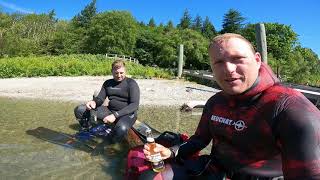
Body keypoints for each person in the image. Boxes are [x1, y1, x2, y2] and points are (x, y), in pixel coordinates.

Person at [143, 33, 320, 179]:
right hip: (214, 169)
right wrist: (171, 152)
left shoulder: (290, 109)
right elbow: (199, 140)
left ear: (257, 60)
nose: (228, 69)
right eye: (218, 62)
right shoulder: (216, 102)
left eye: (237, 59)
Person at [74, 59, 140, 143]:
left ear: (125, 71)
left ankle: (111, 144)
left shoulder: (131, 83)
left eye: (121, 73)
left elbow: (134, 105)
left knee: (121, 129)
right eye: (116, 73)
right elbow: (100, 99)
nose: (119, 75)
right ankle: (88, 131)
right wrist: (93, 102)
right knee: (80, 110)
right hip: (109, 110)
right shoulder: (108, 83)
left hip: (127, 114)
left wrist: (115, 115)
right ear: (112, 71)